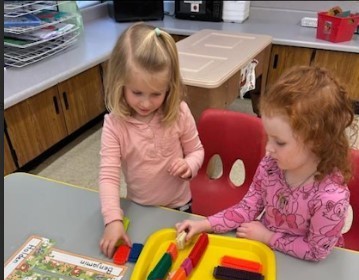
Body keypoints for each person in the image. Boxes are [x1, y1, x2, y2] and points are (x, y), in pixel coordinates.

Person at [176, 66, 357, 262]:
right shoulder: (272, 165)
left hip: (302, 265)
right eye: (268, 137)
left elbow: (316, 251)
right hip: (266, 254)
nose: (268, 148)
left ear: (317, 141)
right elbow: (247, 208)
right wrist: (204, 225)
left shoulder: (330, 198)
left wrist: (268, 237)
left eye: (279, 142)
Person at [99, 23, 204, 258]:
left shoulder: (180, 112)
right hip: (139, 207)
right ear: (119, 83)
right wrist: (113, 219)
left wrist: (189, 165)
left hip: (180, 207)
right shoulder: (114, 125)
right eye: (137, 93)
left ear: (170, 87)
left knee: (178, 260)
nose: (146, 103)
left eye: (156, 94)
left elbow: (196, 151)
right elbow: (108, 177)